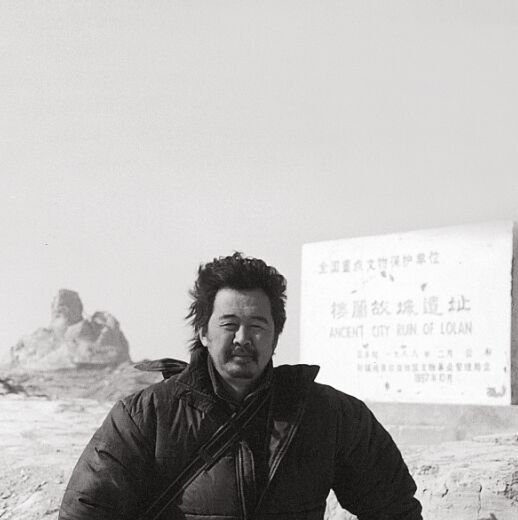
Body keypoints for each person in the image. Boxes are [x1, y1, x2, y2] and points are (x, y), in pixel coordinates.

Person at [59, 252, 422, 520]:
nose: (243, 338)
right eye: (229, 324)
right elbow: (87, 511)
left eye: (258, 326)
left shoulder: (329, 415)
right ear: (203, 332)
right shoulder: (146, 416)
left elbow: (394, 507)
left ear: (275, 336)